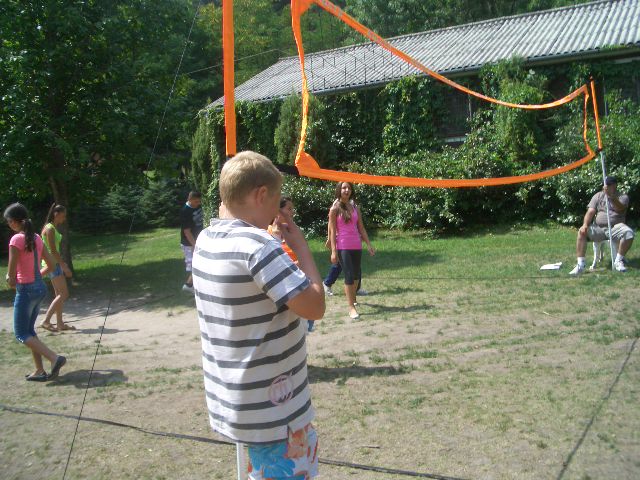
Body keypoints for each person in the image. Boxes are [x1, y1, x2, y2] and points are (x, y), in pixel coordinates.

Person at [192, 151, 325, 479]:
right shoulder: (260, 247)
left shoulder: (207, 239)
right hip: (275, 415)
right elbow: (315, 306)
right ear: (261, 194)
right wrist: (301, 247)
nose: (278, 213)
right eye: (277, 202)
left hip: (236, 402)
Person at [4, 203, 67, 381]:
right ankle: (39, 370)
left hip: (26, 290)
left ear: (14, 221)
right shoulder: (37, 238)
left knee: (21, 334)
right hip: (40, 288)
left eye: (8, 221)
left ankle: (54, 358)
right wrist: (36, 276)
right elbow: (52, 264)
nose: (8, 224)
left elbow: (11, 277)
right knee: (30, 331)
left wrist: (10, 279)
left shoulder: (16, 240)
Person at [570, 176, 635, 274]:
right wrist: (585, 225)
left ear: (614, 185)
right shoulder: (598, 196)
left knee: (629, 233)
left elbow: (620, 208)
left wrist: (611, 197)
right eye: (604, 185)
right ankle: (580, 265)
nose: (605, 187)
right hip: (599, 228)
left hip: (616, 227)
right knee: (581, 232)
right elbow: (590, 211)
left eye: (608, 185)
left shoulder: (622, 197)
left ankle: (618, 261)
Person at [329, 182, 375, 319]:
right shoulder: (334, 209)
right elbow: (332, 231)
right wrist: (333, 251)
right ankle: (351, 308)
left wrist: (368, 244)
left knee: (355, 276)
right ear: (339, 190)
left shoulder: (355, 207)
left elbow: (361, 227)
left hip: (356, 245)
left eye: (349, 188)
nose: (346, 190)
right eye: (344, 188)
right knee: (349, 275)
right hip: (343, 246)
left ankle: (353, 298)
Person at [40, 204, 74, 332]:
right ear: (56, 214)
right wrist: (64, 266)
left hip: (52, 264)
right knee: (64, 294)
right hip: (53, 265)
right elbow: (53, 251)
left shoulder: (50, 227)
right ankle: (46, 320)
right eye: (63, 216)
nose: (64, 218)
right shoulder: (50, 229)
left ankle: (60, 323)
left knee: (59, 295)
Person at [179, 191, 203, 292]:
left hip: (198, 240)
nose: (199, 203)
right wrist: (195, 245)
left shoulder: (197, 206)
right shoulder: (185, 211)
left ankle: (192, 285)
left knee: (200, 263)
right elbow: (187, 232)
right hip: (189, 243)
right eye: (196, 201)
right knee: (195, 265)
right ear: (190, 199)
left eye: (199, 201)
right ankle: (188, 285)